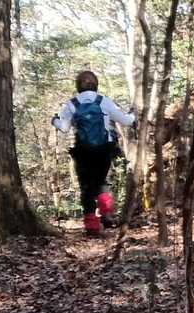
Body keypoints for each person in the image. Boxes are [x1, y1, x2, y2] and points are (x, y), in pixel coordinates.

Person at [52, 70, 136, 236]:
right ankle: (106, 214)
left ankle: (92, 227)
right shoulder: (104, 101)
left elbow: (64, 128)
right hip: (104, 149)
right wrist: (133, 114)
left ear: (78, 85)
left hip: (82, 151)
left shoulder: (72, 104)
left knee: (86, 187)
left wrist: (54, 120)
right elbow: (126, 121)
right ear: (96, 85)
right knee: (101, 181)